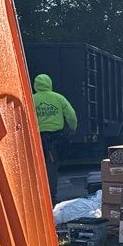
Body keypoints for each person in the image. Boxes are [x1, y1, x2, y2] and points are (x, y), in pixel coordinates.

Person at [32, 73, 78, 203]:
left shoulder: (31, 99)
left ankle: (37, 195)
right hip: (55, 139)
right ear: (50, 84)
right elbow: (71, 116)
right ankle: (51, 196)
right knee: (51, 167)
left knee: (36, 166)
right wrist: (72, 128)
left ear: (35, 85)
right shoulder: (59, 98)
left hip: (36, 138)